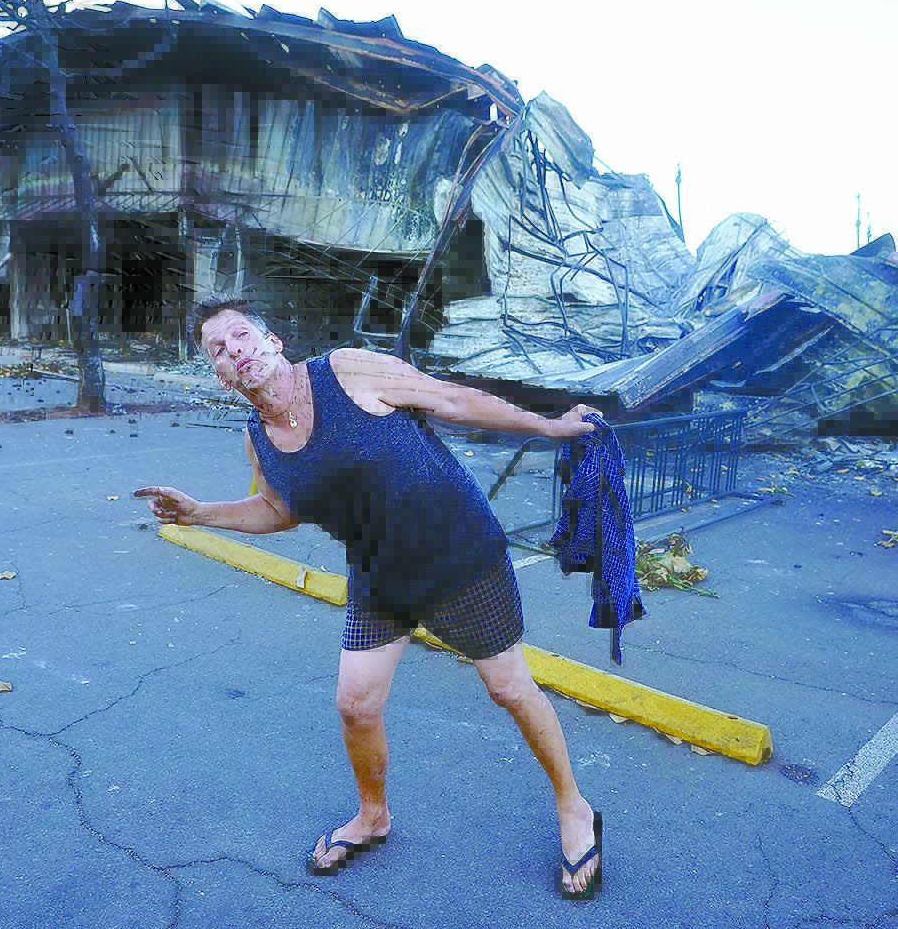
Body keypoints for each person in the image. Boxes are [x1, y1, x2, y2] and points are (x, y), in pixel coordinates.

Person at [138, 296, 606, 899]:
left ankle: (575, 807)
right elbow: (276, 509)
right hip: (380, 578)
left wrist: (550, 427)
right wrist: (200, 512)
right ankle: (372, 816)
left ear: (272, 340)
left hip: (459, 556)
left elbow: (451, 399)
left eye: (239, 337)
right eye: (218, 352)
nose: (234, 352)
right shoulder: (259, 440)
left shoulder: (346, 371)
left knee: (509, 689)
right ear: (221, 375)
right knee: (356, 704)